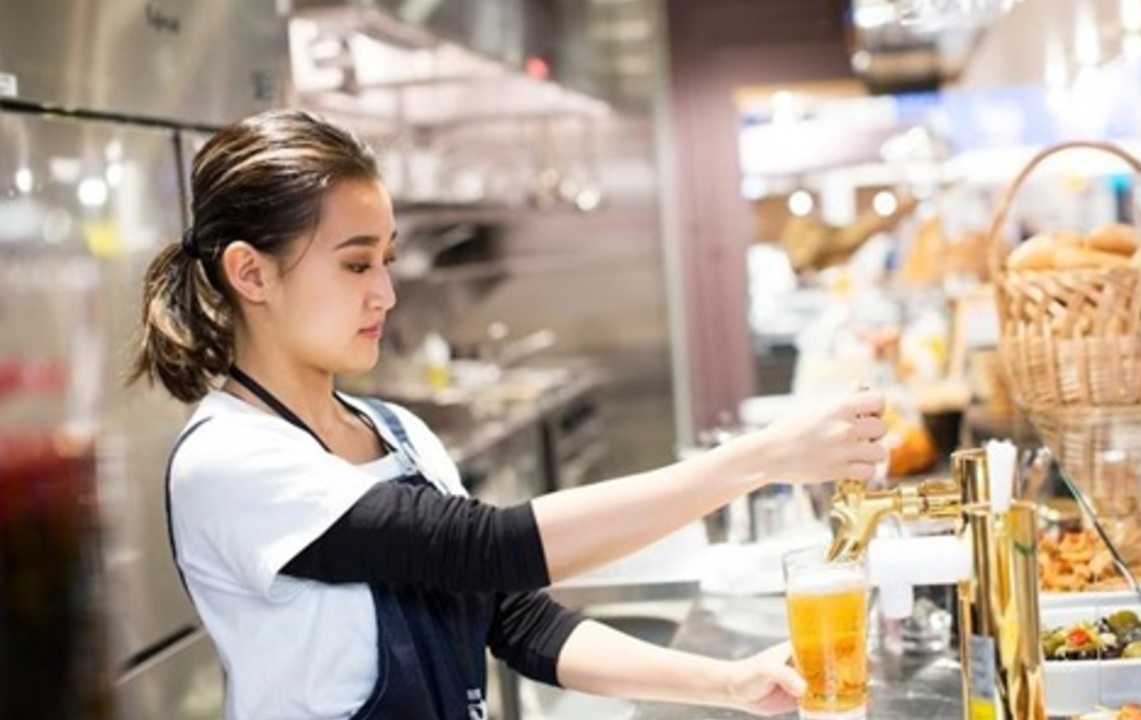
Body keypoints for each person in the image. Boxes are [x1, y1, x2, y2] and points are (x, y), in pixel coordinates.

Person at [129, 108, 888, 720]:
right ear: (249, 272)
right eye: (357, 263)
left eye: (389, 260)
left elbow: (514, 619)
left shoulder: (397, 434)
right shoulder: (228, 462)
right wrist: (760, 460)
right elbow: (487, 551)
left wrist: (726, 684)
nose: (385, 293)